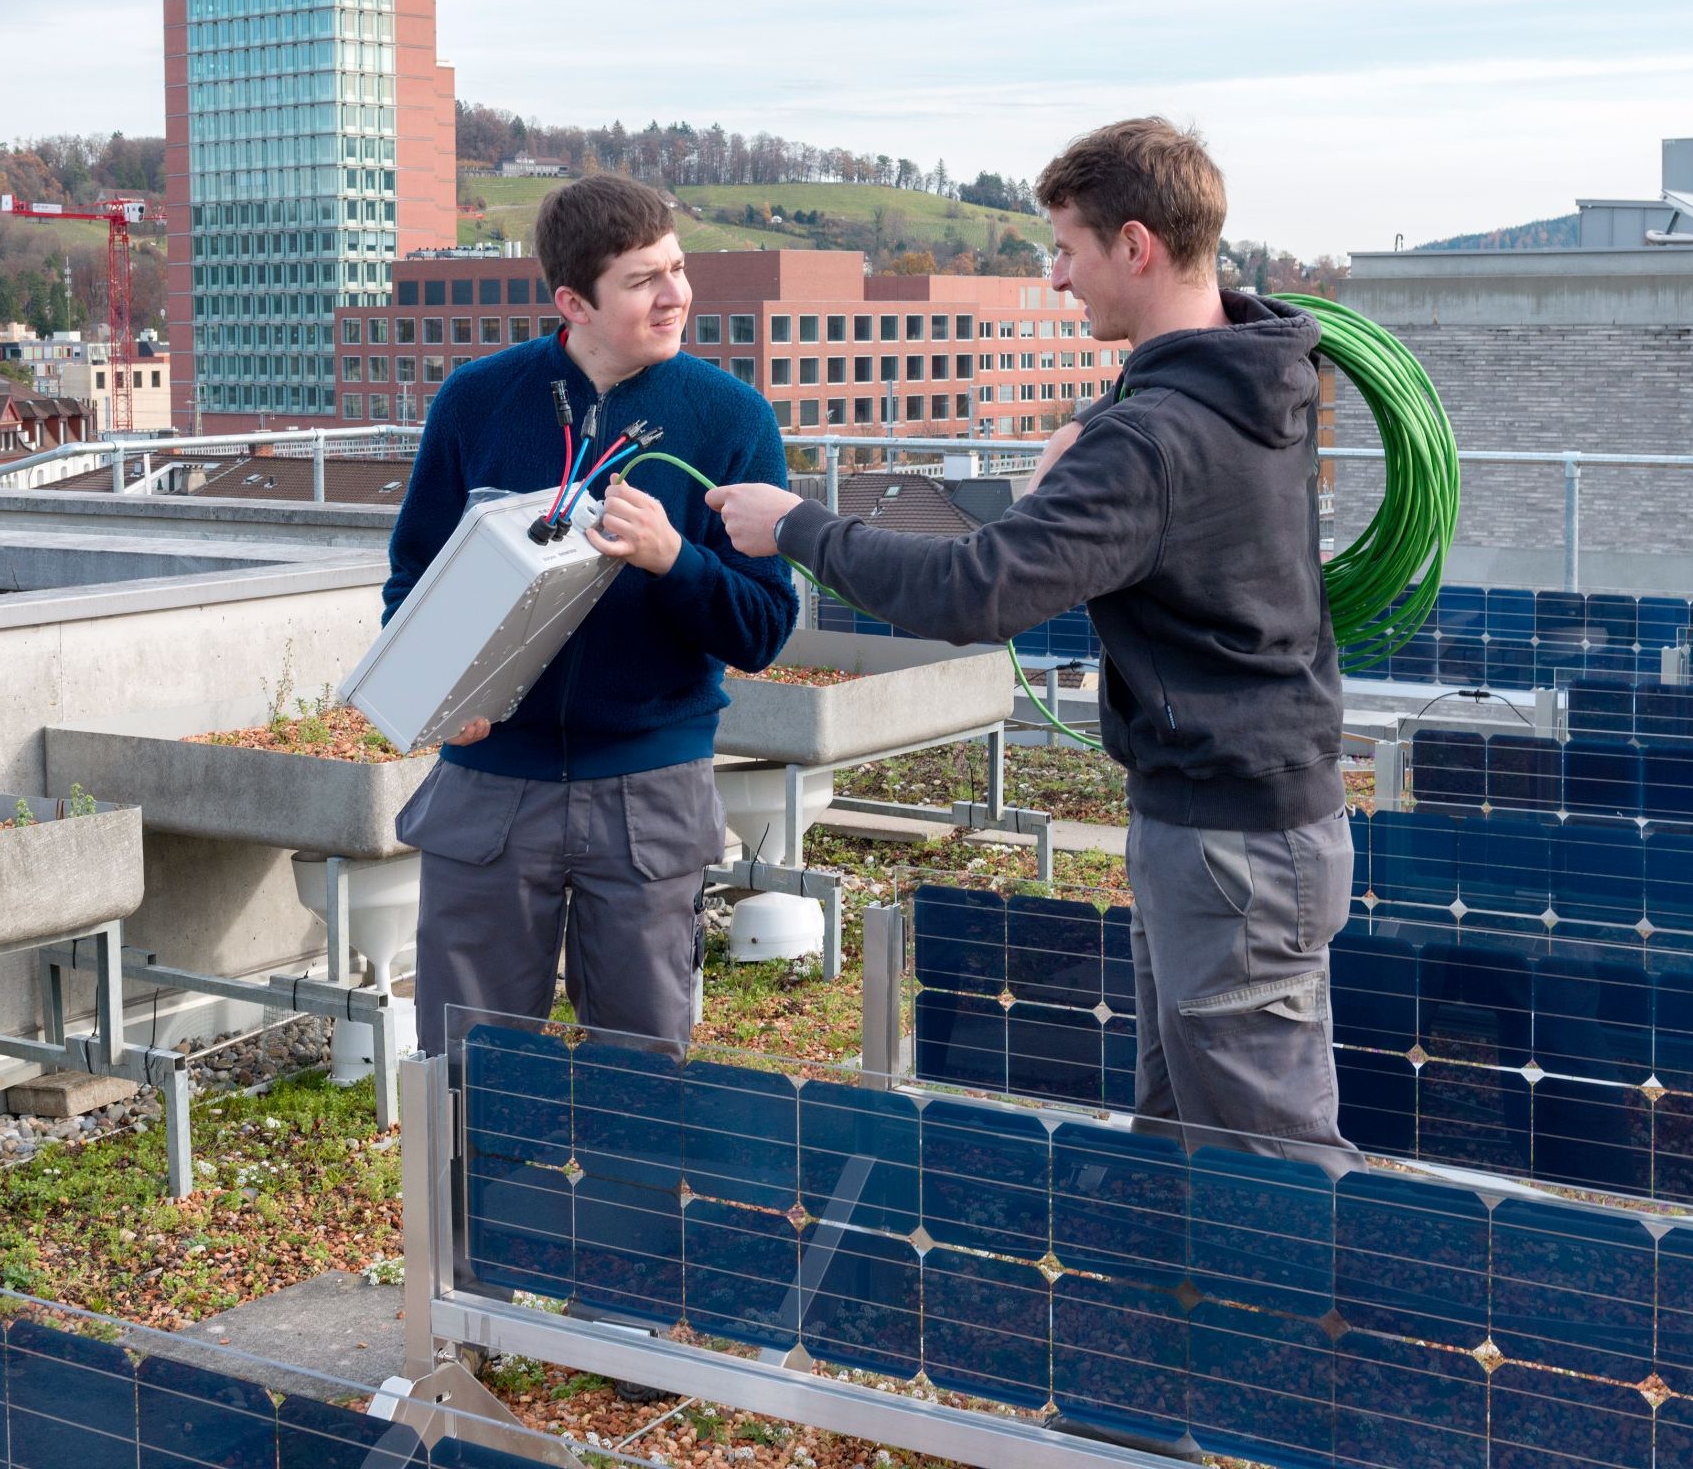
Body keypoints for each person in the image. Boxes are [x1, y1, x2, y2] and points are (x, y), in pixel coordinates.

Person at [709, 118, 1356, 1166]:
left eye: (1065, 248)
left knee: (1267, 1153)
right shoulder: (1246, 383)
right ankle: (1198, 1320)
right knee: (1188, 1125)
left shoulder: (1150, 438)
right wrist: (1096, 434)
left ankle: (1316, 1325)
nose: (1055, 277)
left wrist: (796, 526)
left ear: (1135, 245)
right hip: (1235, 820)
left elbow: (975, 589)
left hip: (1230, 839)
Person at [385, 175, 798, 1059]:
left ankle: (633, 1205)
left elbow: (763, 628)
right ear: (573, 301)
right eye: (644, 279)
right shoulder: (476, 402)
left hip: (648, 798)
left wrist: (675, 562)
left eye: (678, 268)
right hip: (487, 790)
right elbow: (412, 581)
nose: (677, 294)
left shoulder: (731, 420)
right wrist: (443, 693)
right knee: (469, 1072)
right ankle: (481, 1204)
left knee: (643, 1076)